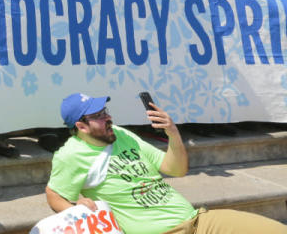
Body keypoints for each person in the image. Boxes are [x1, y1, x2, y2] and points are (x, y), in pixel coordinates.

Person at [45, 92, 287, 234]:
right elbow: (54, 193)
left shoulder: (122, 134)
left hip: (199, 221)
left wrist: (172, 133)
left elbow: (176, 170)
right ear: (81, 126)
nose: (107, 117)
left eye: (105, 110)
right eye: (98, 116)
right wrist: (77, 208)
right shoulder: (71, 155)